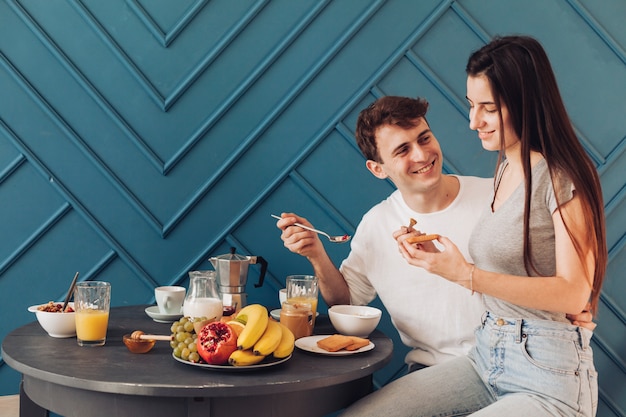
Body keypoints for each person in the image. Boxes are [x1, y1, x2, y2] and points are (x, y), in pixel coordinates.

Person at [340, 35, 606, 417]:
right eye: (471, 106)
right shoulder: (506, 168)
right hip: (486, 358)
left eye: (488, 109)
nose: (473, 122)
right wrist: (441, 262)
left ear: (523, 103)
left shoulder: (561, 174)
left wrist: (465, 275)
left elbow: (573, 294)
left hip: (548, 376)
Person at [275, 96, 593, 372]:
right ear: (378, 169)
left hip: (516, 360)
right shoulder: (376, 225)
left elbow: (562, 278)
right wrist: (316, 252)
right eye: (403, 150)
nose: (421, 155)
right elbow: (345, 299)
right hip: (429, 372)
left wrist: (572, 312)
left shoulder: (497, 197)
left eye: (424, 138)